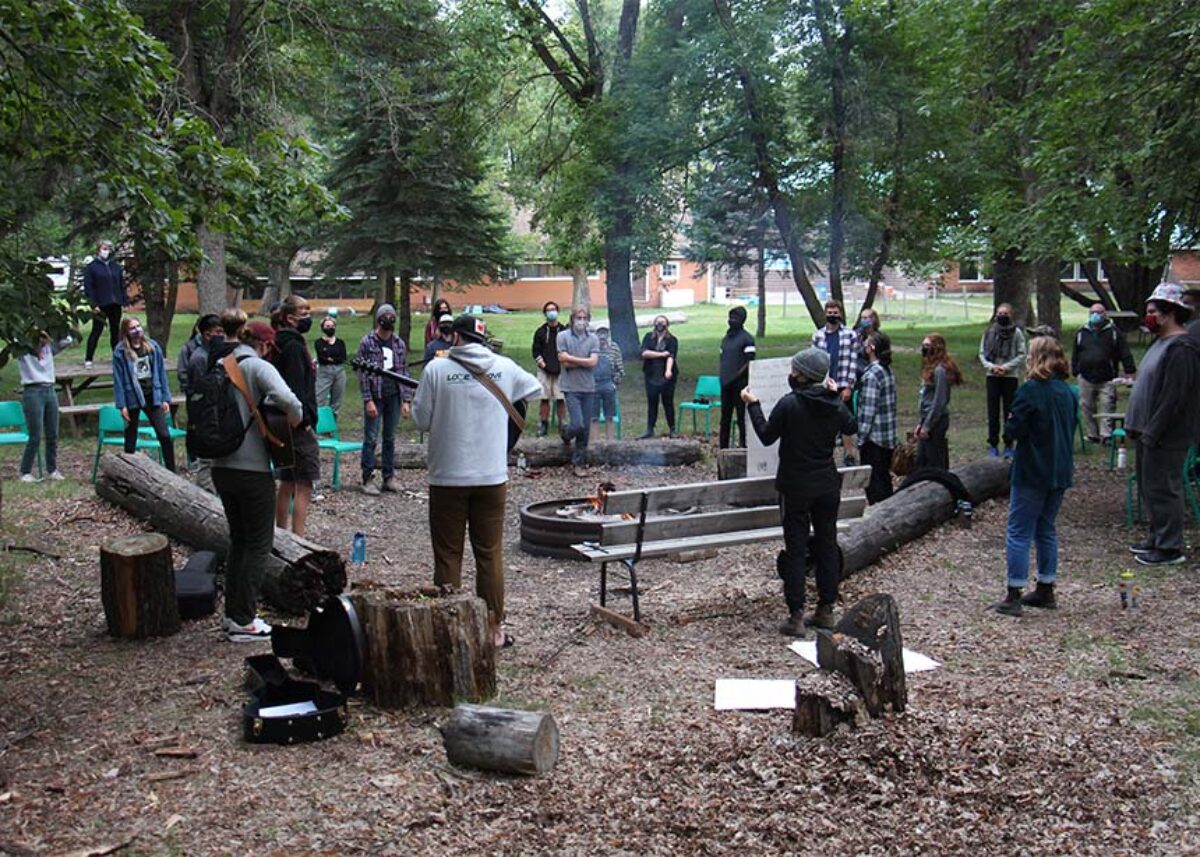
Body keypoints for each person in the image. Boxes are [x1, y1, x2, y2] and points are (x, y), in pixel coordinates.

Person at [412, 314, 541, 649]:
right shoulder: (504, 367)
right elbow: (534, 388)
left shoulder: (436, 370)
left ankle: (449, 630)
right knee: (489, 554)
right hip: (491, 476)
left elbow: (421, 421)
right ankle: (494, 629)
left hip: (447, 476)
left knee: (448, 555)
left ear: (455, 337)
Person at [742, 348, 856, 635]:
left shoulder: (789, 404)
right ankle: (826, 609)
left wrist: (753, 405)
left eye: (795, 370)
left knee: (796, 548)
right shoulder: (834, 404)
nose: (791, 374)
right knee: (827, 545)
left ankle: (796, 615)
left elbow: (766, 435)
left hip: (795, 485)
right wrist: (836, 395)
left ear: (803, 376)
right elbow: (851, 425)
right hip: (827, 484)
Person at [208, 308, 302, 641]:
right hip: (251, 468)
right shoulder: (258, 366)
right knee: (260, 544)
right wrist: (292, 419)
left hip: (220, 465)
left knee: (239, 541)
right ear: (264, 345)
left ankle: (233, 615)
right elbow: (290, 401)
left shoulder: (220, 364)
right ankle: (244, 619)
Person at [993, 337, 1078, 616]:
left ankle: (1014, 592)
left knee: (1019, 530)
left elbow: (1013, 429)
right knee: (1046, 527)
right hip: (1060, 468)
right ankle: (1046, 586)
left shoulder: (1030, 390)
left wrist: (1011, 429)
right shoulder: (1068, 392)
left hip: (1033, 468)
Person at [1125, 283, 1200, 566]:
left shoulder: (1182, 348)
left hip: (1166, 434)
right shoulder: (1160, 343)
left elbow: (1174, 398)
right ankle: (1156, 537)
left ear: (1170, 313)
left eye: (1153, 311)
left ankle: (1170, 548)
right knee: (1150, 487)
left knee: (1165, 488)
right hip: (1147, 431)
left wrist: (1155, 430)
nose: (1150, 316)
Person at [271, 296, 320, 536]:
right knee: (304, 483)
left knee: (288, 480)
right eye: (304, 314)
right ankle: (298, 538)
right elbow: (295, 388)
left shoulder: (280, 343)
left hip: (284, 421)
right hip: (296, 423)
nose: (308, 318)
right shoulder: (292, 347)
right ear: (290, 318)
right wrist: (304, 422)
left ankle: (281, 533)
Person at [356, 303, 411, 495]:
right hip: (375, 395)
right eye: (384, 316)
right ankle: (367, 478)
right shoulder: (367, 342)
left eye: (391, 316)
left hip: (393, 395)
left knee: (390, 437)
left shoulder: (399, 344)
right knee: (371, 438)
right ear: (378, 319)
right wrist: (368, 400)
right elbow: (363, 374)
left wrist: (406, 399)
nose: (388, 320)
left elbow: (404, 371)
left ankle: (388, 477)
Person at [112, 317, 175, 473]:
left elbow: (161, 373)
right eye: (132, 328)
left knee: (164, 435)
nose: (137, 330)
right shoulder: (120, 352)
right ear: (126, 332)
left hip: (152, 395)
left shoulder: (153, 347)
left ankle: (171, 470)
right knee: (130, 436)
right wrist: (122, 405)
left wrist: (165, 398)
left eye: (138, 326)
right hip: (132, 396)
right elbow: (118, 380)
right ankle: (128, 471)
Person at [1070, 303, 1136, 444]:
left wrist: (1129, 370)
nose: (1095, 315)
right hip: (1085, 376)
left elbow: (1124, 352)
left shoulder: (1113, 332)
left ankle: (1106, 435)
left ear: (1105, 314)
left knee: (1107, 405)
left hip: (1107, 377)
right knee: (1087, 406)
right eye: (1093, 312)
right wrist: (1075, 370)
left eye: (1099, 312)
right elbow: (1075, 353)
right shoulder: (1081, 332)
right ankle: (1092, 434)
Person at [16, 331, 72, 482]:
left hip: (50, 389)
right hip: (33, 390)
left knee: (53, 433)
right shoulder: (23, 350)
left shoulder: (48, 348)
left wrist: (51, 335)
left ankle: (52, 469)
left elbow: (68, 339)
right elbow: (15, 338)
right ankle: (25, 471)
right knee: (35, 434)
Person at [811, 299, 858, 464]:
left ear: (841, 314)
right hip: (824, 385)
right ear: (825, 314)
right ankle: (826, 455)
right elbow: (814, 361)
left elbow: (853, 362)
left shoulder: (850, 335)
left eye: (835, 312)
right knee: (824, 421)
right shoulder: (818, 336)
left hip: (843, 383)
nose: (832, 315)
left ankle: (849, 454)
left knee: (846, 421)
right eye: (830, 313)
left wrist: (849, 387)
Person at [978, 303, 1027, 458]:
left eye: (1005, 314)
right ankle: (993, 444)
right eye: (1000, 313)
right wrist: (991, 367)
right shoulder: (989, 332)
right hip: (992, 376)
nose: (1002, 316)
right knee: (993, 412)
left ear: (1011, 315)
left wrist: (1006, 367)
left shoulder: (1017, 333)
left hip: (1010, 377)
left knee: (1009, 411)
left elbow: (1021, 354)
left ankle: (1009, 443)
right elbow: (982, 353)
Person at [556, 307, 600, 476]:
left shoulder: (593, 338)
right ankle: (566, 433)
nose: (581, 321)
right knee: (577, 424)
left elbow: (593, 362)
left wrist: (571, 358)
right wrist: (584, 361)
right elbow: (564, 363)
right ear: (572, 319)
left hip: (588, 387)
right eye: (578, 318)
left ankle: (578, 463)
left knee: (585, 428)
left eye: (584, 318)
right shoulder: (562, 336)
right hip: (570, 387)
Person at [856, 331, 897, 504]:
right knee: (884, 478)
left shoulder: (872, 375)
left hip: (874, 439)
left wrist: (861, 437)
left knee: (875, 483)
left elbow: (868, 410)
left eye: (866, 342)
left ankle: (880, 511)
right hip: (888, 436)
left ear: (871, 348)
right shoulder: (887, 371)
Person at [914, 333, 962, 470]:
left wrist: (927, 425)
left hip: (936, 420)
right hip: (927, 417)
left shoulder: (940, 371)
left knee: (935, 460)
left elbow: (939, 401)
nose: (924, 349)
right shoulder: (930, 367)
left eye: (927, 345)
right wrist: (921, 423)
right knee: (922, 460)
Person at [82, 239, 128, 367]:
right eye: (104, 248)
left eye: (108, 249)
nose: (106, 251)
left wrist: (124, 301)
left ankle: (117, 357)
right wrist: (93, 304)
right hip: (101, 304)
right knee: (96, 331)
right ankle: (88, 359)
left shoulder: (115, 267)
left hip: (115, 303)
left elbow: (121, 285)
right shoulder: (92, 267)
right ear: (98, 250)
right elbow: (89, 287)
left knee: (115, 331)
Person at [718, 306, 756, 449]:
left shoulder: (747, 339)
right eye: (730, 317)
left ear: (742, 320)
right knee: (725, 418)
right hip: (725, 384)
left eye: (735, 318)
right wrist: (724, 377)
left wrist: (735, 376)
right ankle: (723, 448)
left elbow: (750, 361)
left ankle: (744, 447)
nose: (732, 320)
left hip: (740, 385)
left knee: (742, 418)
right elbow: (723, 360)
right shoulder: (725, 339)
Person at [640, 315, 679, 438]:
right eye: (657, 322)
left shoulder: (672, 340)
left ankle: (672, 429)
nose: (660, 324)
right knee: (652, 401)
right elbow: (644, 353)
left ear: (667, 324)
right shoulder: (648, 337)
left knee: (668, 402)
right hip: (651, 374)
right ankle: (650, 429)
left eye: (662, 322)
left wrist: (668, 371)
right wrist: (661, 354)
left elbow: (671, 356)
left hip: (666, 376)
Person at [531, 301, 566, 435]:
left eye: (553, 309)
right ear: (545, 313)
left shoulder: (563, 331)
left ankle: (563, 424)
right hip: (544, 370)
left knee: (561, 398)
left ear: (558, 311)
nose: (551, 312)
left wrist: (562, 364)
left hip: (561, 370)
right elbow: (536, 351)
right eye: (548, 310)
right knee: (544, 398)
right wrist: (544, 366)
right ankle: (543, 424)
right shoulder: (540, 332)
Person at [592, 324, 625, 442]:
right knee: (593, 417)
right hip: (593, 384)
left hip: (608, 384)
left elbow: (620, 369)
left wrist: (614, 383)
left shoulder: (614, 348)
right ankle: (595, 442)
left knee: (610, 416)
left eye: (604, 332)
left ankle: (610, 442)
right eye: (599, 333)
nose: (602, 336)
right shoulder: (591, 347)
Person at [178, 314, 222, 400]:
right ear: (207, 334)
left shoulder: (216, 351)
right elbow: (198, 383)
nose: (222, 335)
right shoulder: (198, 356)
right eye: (218, 332)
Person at [314, 312, 347, 416]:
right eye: (327, 326)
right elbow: (322, 358)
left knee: (336, 400)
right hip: (324, 372)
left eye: (332, 326)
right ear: (322, 328)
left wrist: (331, 358)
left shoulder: (340, 342)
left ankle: (333, 422)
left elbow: (342, 357)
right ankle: (319, 421)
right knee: (320, 398)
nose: (330, 328)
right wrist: (330, 358)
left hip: (339, 372)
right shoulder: (319, 342)